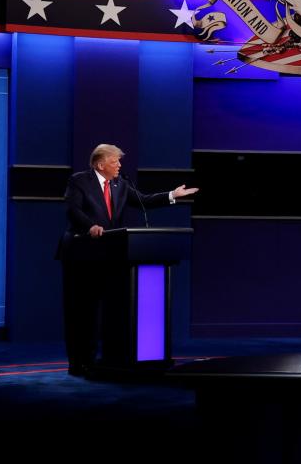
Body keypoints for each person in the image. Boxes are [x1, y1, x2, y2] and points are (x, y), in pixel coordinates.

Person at [55, 144, 197, 376]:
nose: (119, 165)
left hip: (110, 255)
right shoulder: (79, 180)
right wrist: (90, 226)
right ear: (101, 164)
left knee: (111, 311)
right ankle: (79, 363)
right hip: (81, 254)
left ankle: (108, 359)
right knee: (81, 312)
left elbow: (144, 200)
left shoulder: (121, 185)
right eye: (115, 161)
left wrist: (172, 195)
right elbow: (73, 211)